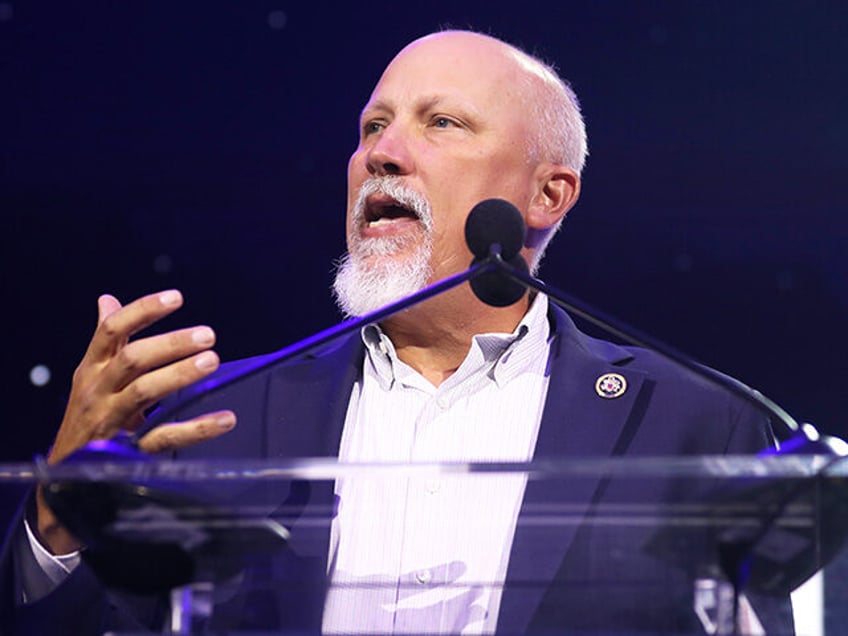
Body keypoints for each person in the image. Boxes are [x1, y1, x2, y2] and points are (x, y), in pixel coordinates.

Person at [0, 30, 793, 634]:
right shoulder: (216, 418)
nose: (383, 153)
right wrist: (59, 512)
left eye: (441, 123)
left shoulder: (699, 423)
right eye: (372, 127)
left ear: (548, 195)